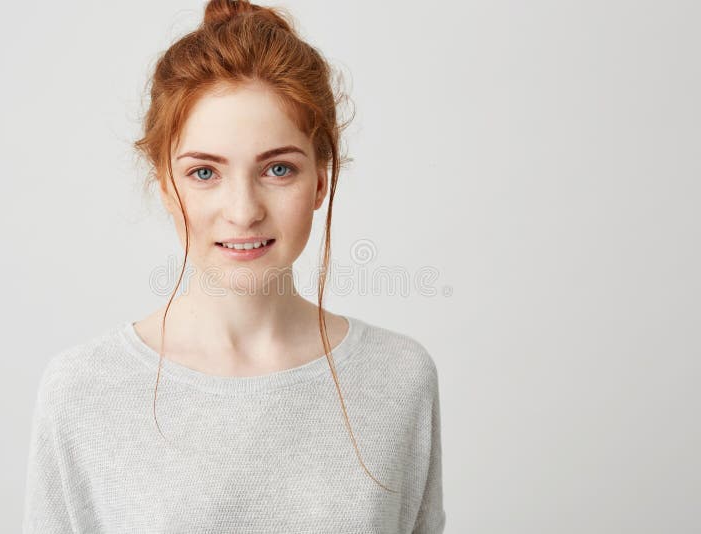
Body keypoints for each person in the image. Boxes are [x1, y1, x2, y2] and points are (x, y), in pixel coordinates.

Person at [22, 1, 445, 532]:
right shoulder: (82, 390)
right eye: (204, 172)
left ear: (320, 181)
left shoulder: (400, 378)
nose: (243, 210)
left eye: (278, 168)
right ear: (164, 188)